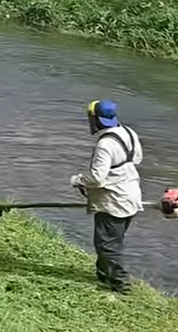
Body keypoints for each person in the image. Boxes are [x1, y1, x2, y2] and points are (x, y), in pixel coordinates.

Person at [70, 99, 144, 294]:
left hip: (114, 201)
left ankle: (121, 284)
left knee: (107, 245)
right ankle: (103, 275)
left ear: (95, 119)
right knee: (112, 240)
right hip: (131, 195)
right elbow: (136, 159)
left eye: (90, 118)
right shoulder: (129, 133)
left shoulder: (105, 144)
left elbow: (96, 178)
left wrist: (78, 180)